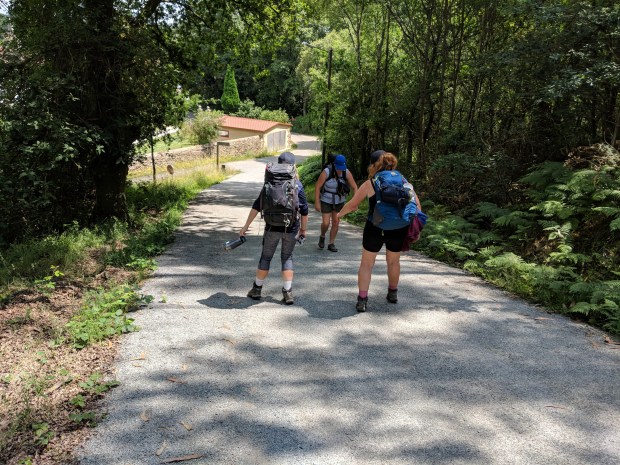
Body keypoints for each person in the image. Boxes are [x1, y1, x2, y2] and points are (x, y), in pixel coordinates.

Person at [337, 150, 421, 312]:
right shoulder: (404, 181)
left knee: (367, 263)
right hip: (398, 228)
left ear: (373, 165)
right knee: (394, 262)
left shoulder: (371, 183)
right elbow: (417, 207)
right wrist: (416, 230)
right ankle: (393, 293)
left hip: (375, 227)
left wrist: (340, 214)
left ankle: (362, 300)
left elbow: (353, 205)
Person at [240, 152, 309, 305]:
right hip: (291, 227)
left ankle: (257, 289)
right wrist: (303, 230)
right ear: (293, 166)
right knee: (287, 258)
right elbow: (304, 210)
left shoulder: (269, 183)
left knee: (266, 257)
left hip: (271, 227)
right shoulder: (297, 185)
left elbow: (257, 205)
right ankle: (287, 293)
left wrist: (245, 226)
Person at [314, 154, 358, 252]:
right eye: (338, 168)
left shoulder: (346, 172)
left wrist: (355, 202)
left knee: (336, 222)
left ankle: (331, 243)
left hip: (339, 200)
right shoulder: (326, 172)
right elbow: (317, 187)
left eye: (342, 168)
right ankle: (322, 235)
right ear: (334, 164)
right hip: (326, 200)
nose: (340, 170)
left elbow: (355, 187)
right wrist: (317, 202)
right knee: (326, 223)